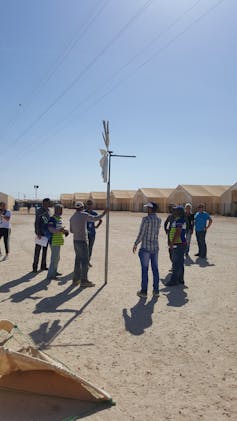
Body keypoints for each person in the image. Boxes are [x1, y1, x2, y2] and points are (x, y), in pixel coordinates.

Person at [70, 201, 107, 287]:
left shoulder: (72, 217)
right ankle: (84, 280)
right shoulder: (84, 215)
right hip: (83, 240)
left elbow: (71, 230)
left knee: (77, 260)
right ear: (82, 207)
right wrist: (105, 212)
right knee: (85, 261)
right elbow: (96, 218)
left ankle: (75, 280)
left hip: (75, 240)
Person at [133, 202, 161, 298]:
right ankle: (156, 290)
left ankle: (144, 291)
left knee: (145, 270)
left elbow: (141, 233)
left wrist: (136, 243)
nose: (146, 209)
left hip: (145, 248)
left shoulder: (146, 219)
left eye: (148, 208)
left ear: (150, 209)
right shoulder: (159, 219)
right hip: (155, 247)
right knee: (155, 269)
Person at [166, 206, 187, 286]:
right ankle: (180, 279)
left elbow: (178, 232)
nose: (173, 212)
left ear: (179, 212)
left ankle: (174, 281)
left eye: (175, 210)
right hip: (180, 244)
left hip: (178, 244)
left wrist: (172, 243)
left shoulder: (179, 220)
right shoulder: (178, 219)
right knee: (180, 263)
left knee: (175, 263)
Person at [47, 204, 69, 280]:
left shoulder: (59, 218)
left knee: (57, 258)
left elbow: (58, 229)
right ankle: (50, 275)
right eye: (60, 210)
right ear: (56, 210)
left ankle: (54, 272)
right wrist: (60, 230)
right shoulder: (52, 218)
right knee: (54, 258)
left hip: (58, 241)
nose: (62, 211)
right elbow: (51, 229)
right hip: (54, 241)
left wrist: (64, 231)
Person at [32, 198, 51, 272]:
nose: (48, 204)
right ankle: (35, 267)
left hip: (46, 234)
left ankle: (43, 266)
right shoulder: (39, 211)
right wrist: (38, 233)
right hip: (40, 234)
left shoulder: (48, 211)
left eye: (49, 203)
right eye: (47, 203)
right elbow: (36, 222)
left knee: (45, 251)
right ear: (43, 203)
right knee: (37, 251)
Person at [85, 199, 102, 267]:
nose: (89, 205)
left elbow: (100, 220)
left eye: (90, 204)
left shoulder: (94, 213)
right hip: (85, 234)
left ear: (92, 205)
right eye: (88, 204)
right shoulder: (84, 213)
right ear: (86, 205)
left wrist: (97, 226)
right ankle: (84, 261)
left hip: (92, 233)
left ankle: (88, 261)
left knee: (90, 248)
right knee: (84, 248)